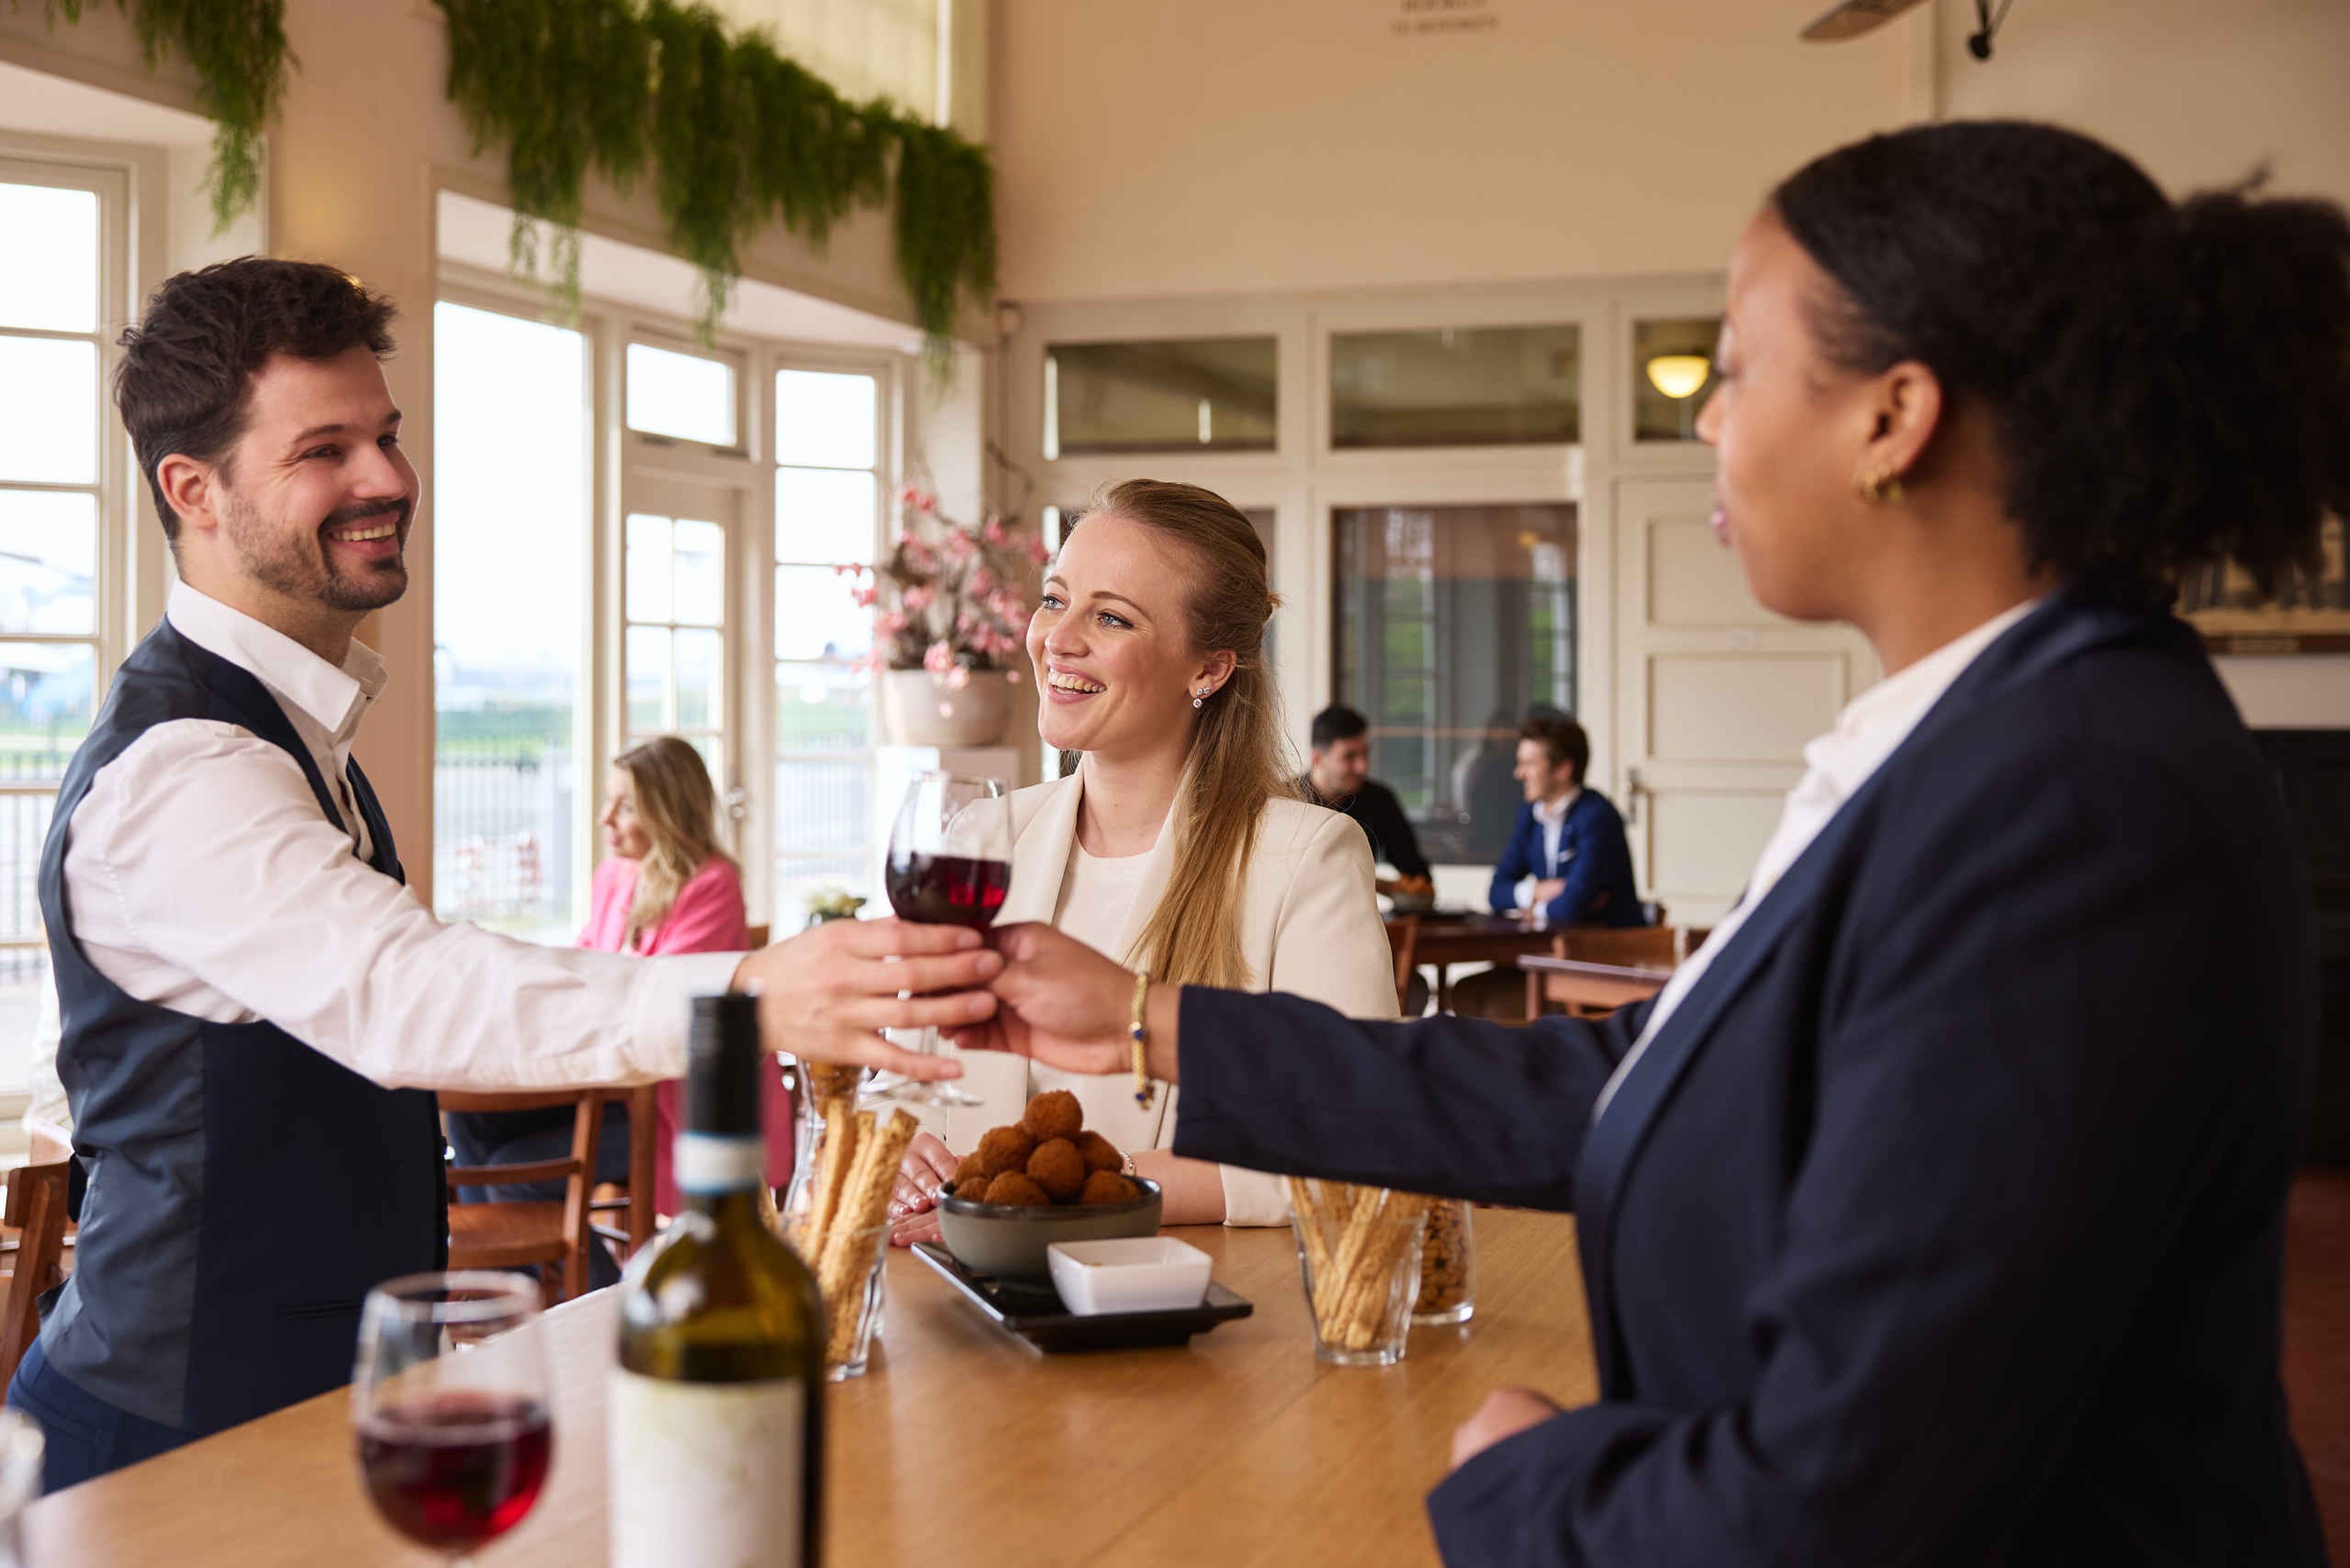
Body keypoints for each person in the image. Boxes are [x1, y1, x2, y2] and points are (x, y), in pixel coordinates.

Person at [958, 122, 2339, 1564]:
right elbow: (1628, 1085)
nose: (1703, 423)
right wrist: (1139, 1016)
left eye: (1733, 369)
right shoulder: (1988, 741)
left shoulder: (2077, 805)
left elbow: (1864, 1478)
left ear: (1892, 415)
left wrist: (1537, 1486)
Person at [14, 258, 999, 1491]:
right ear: (192, 489)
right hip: (166, 1450)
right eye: (327, 449)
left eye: (388, 435)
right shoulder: (185, 770)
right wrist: (750, 994)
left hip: (308, 1425)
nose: (389, 479)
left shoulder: (288, 732)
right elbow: (412, 997)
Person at [889, 480, 1398, 1240]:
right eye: (1056, 600)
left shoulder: (1306, 859)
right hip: (961, 1309)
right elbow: (897, 1086)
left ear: (1210, 669)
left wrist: (1073, 1197)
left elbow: (1357, 1143)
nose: (1057, 639)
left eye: (1113, 617)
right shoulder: (981, 840)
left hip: (1178, 1324)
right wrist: (897, 1147)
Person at [445, 736, 785, 1284]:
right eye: (610, 801)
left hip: (668, 1104)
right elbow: (585, 971)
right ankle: (525, 1291)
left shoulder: (713, 885)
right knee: (474, 1121)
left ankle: (604, 1306)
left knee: (513, 1177)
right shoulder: (615, 877)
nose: (606, 818)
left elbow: (655, 1001)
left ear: (669, 810)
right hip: (611, 1085)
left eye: (626, 805)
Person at [1487, 713, 1641, 928]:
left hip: (1604, 950)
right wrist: (1538, 891)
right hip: (1552, 947)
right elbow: (1496, 893)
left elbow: (1574, 904)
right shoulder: (1529, 815)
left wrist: (1534, 909)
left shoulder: (1598, 817)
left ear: (1562, 769)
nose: (1519, 774)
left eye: (1530, 764)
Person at [1298, 703, 1433, 893]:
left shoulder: (1380, 800)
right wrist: (1382, 885)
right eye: (1350, 757)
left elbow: (1417, 874)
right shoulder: (1286, 802)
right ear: (1318, 759)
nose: (1362, 767)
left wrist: (1417, 888)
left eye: (1365, 754)